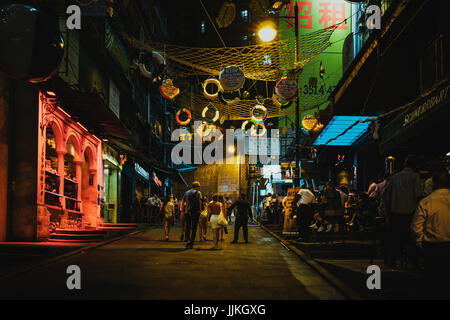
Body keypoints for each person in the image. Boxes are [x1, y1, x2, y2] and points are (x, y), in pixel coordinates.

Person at [411, 168, 450, 298]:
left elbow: (416, 226)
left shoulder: (426, 201)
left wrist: (420, 243)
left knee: (432, 280)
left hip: (432, 246)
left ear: (433, 183)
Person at [381, 155, 422, 269]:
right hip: (410, 213)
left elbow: (386, 197)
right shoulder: (415, 177)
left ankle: (395, 261)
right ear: (415, 165)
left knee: (396, 239)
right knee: (411, 239)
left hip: (395, 213)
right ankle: (412, 262)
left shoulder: (395, 177)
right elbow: (417, 195)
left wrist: (387, 214)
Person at [182, 181, 203, 249]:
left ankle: (188, 240)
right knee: (194, 227)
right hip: (195, 211)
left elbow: (183, 202)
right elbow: (200, 202)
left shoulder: (186, 192)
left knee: (188, 226)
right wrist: (199, 210)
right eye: (199, 186)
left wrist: (183, 210)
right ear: (196, 186)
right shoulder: (198, 193)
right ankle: (191, 243)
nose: (199, 188)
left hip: (187, 211)